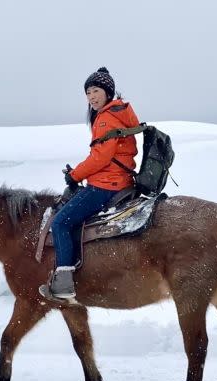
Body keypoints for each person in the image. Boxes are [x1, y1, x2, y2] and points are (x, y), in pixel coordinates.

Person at [40, 67, 140, 300]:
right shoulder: (117, 114)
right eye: (87, 93)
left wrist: (74, 176)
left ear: (107, 92)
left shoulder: (106, 118)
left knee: (61, 223)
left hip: (106, 184)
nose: (91, 96)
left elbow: (100, 157)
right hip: (119, 180)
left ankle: (64, 283)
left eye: (96, 90)